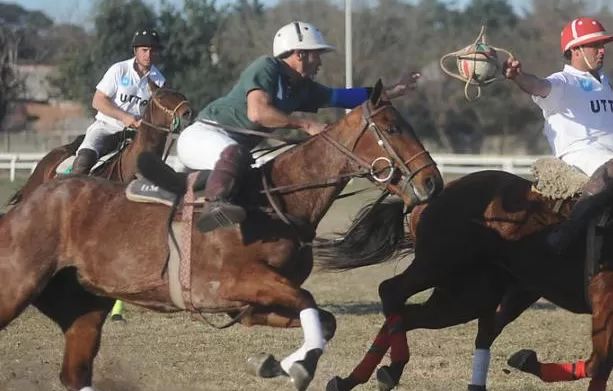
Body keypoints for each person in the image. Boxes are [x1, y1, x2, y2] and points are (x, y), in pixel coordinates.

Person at [176, 21, 419, 233]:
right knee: (238, 155)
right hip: (201, 136)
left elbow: (344, 97)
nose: (320, 62)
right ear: (299, 54)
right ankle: (215, 206)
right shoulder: (267, 66)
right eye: (316, 54)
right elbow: (257, 112)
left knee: (255, 172)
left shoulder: (302, 88)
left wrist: (394, 91)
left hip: (230, 152)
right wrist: (306, 124)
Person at [503, 17, 613, 253]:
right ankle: (567, 232)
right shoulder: (563, 81)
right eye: (595, 45)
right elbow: (537, 85)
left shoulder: (604, 83)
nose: (602, 50)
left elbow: (601, 122)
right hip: (580, 157)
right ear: (575, 50)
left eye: (603, 45)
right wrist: (517, 77)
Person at [72, 29, 166, 175]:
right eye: (144, 50)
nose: (148, 55)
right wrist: (125, 117)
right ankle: (69, 183)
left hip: (136, 135)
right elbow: (98, 101)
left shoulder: (159, 81)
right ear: (135, 50)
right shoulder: (119, 70)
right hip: (106, 127)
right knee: (84, 160)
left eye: (152, 51)